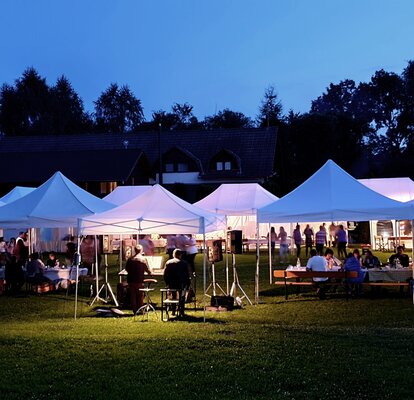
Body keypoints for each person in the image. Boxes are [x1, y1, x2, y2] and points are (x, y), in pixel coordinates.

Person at [125, 244, 152, 315]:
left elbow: (126, 269)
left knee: (133, 295)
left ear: (134, 250)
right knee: (140, 295)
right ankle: (140, 310)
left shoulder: (130, 259)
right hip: (139, 280)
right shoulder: (143, 259)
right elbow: (147, 270)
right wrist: (150, 272)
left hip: (131, 279)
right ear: (141, 250)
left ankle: (134, 310)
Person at [164, 249, 191, 317]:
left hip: (172, 282)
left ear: (173, 254)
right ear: (180, 255)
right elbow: (187, 274)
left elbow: (165, 274)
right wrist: (188, 283)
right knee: (182, 297)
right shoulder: (184, 263)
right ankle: (181, 311)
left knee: (173, 296)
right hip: (181, 282)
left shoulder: (168, 262)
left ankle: (173, 311)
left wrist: (167, 282)